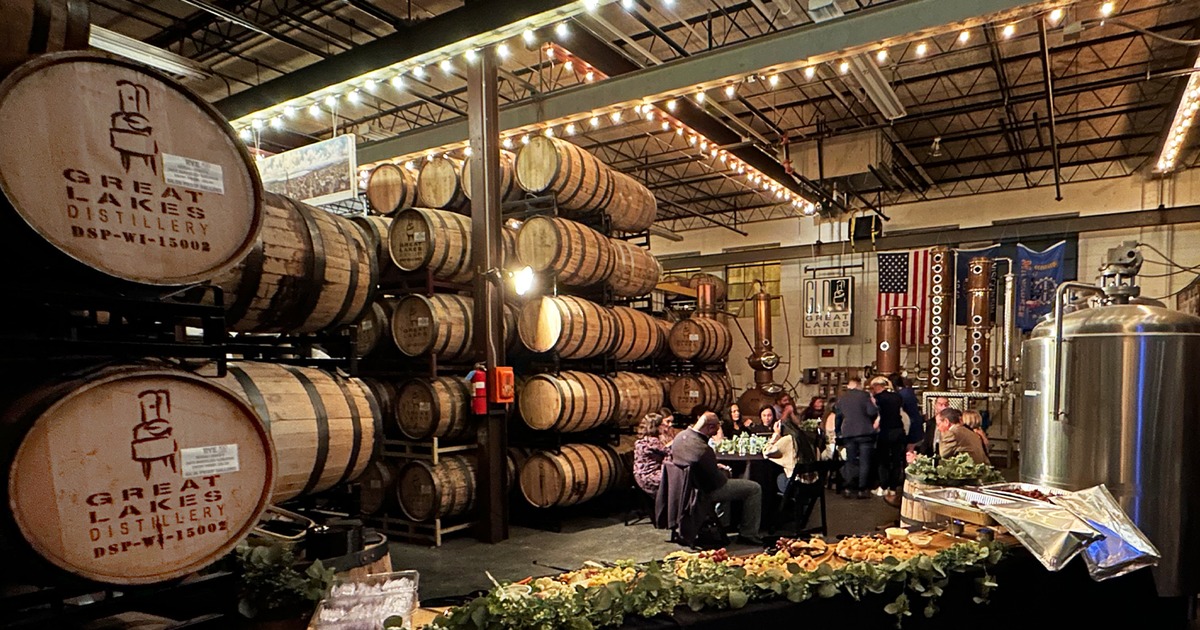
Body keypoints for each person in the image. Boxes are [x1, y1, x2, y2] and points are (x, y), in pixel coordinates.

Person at [671, 411, 763, 545]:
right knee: (754, 488)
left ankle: (723, 523)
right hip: (702, 492)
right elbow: (717, 481)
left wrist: (714, 466)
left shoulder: (680, 437)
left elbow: (693, 463)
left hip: (685, 489)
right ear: (709, 427)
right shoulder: (702, 448)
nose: (714, 434)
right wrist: (725, 472)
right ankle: (748, 533)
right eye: (714, 430)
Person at [835, 377, 878, 499]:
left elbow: (838, 416)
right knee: (864, 461)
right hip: (865, 432)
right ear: (858, 385)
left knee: (850, 460)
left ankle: (848, 487)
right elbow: (871, 412)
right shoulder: (864, 395)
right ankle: (862, 489)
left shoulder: (842, 398)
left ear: (849, 385)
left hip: (848, 432)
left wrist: (838, 431)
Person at [869, 376, 905, 502]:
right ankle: (893, 488)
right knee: (896, 460)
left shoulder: (877, 399)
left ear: (877, 386)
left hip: (885, 431)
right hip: (899, 431)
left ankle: (883, 487)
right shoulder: (897, 397)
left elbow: (874, 413)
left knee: (883, 461)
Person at [764, 410, 820, 492]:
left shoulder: (788, 439)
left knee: (778, 477)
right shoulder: (805, 438)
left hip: (795, 484)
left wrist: (776, 434)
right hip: (813, 483)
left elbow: (767, 452)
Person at [633, 413, 673, 496]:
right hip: (651, 478)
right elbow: (670, 451)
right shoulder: (652, 442)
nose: (666, 425)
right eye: (662, 424)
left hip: (640, 478)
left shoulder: (643, 440)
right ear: (656, 426)